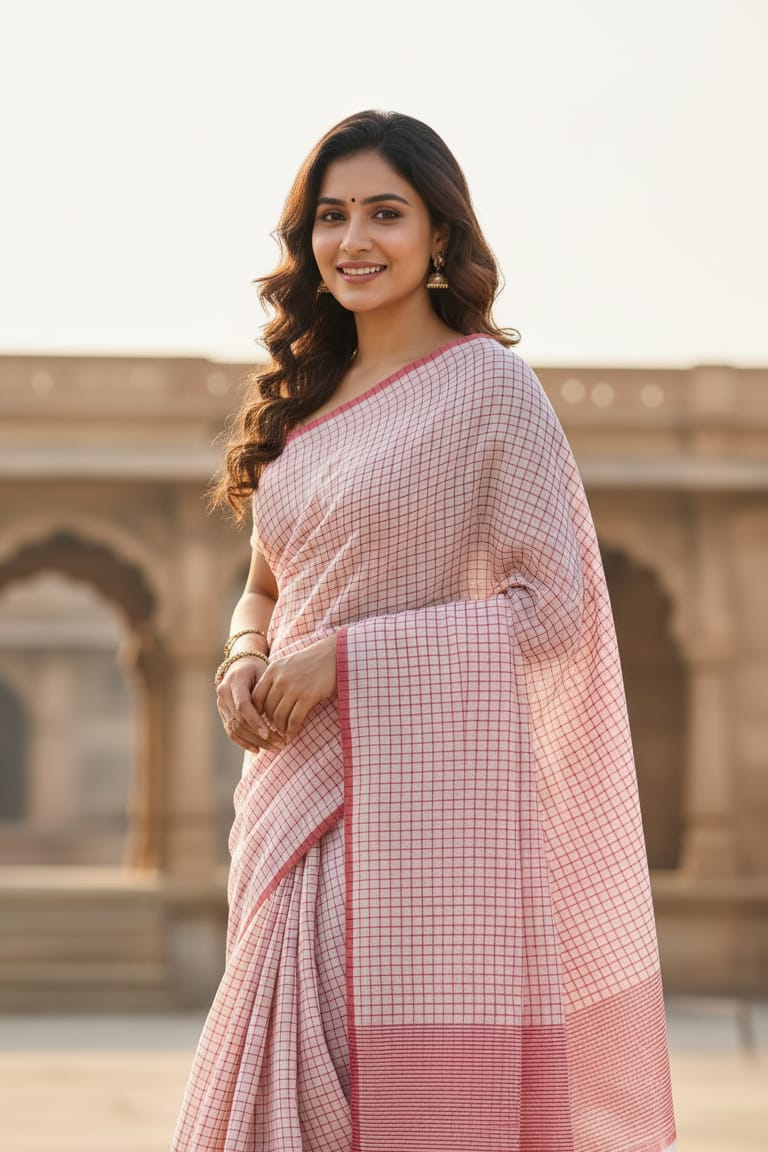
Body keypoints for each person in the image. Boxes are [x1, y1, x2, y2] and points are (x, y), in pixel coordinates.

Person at [171, 110, 677, 1152]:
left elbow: (555, 611)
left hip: (415, 815)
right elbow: (264, 585)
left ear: (438, 235)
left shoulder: (491, 392)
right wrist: (245, 654)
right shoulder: (302, 404)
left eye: (383, 215)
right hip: (289, 794)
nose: (352, 241)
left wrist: (347, 661)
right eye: (330, 216)